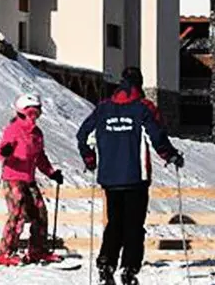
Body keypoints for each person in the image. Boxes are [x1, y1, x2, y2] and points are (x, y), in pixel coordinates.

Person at [76, 67, 183, 285]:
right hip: (136, 177)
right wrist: (171, 155)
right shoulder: (143, 108)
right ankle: (129, 269)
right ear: (139, 84)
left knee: (114, 222)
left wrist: (90, 160)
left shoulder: (103, 108)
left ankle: (106, 263)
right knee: (134, 225)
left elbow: (83, 135)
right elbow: (157, 136)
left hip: (109, 178)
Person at [0, 93, 64, 266]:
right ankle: (6, 253)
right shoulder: (13, 129)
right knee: (17, 214)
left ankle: (37, 250)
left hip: (29, 178)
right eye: (31, 112)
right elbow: (0, 151)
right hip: (13, 177)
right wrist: (6, 152)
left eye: (37, 112)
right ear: (22, 112)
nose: (35, 116)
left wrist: (51, 173)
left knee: (40, 213)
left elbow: (40, 157)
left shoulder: (37, 134)